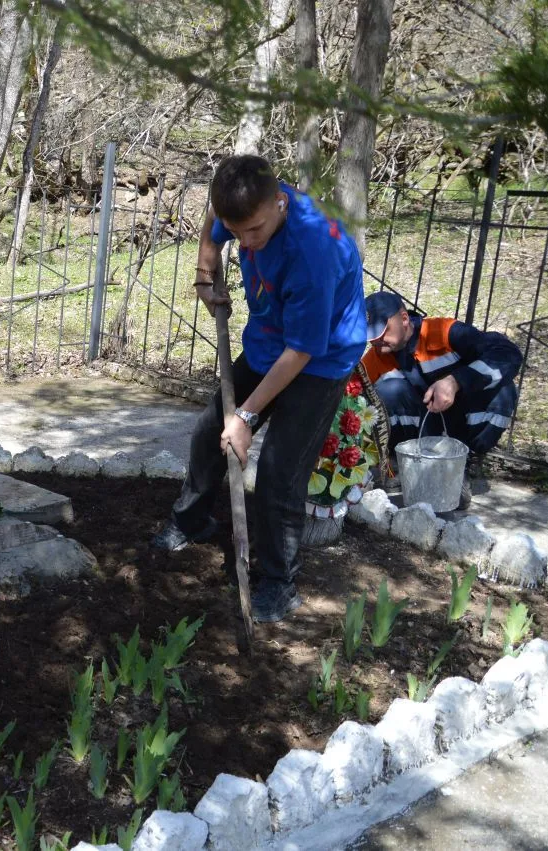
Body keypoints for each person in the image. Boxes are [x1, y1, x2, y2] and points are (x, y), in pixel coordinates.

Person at [150, 155, 368, 623]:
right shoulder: (244, 206)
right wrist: (204, 273)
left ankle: (278, 582)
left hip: (320, 359)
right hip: (271, 341)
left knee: (279, 472)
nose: (246, 241)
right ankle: (192, 521)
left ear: (280, 203)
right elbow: (216, 220)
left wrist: (246, 417)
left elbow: (302, 351)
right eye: (238, 232)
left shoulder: (314, 249)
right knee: (209, 432)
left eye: (255, 231)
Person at [360, 290, 522, 502]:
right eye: (371, 335)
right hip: (419, 436)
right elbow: (351, 402)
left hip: (461, 422)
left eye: (382, 331)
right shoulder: (374, 359)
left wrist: (455, 382)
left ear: (404, 319)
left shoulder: (444, 332)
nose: (376, 341)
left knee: (503, 391)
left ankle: (464, 465)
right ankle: (402, 463)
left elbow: (508, 353)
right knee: (387, 392)